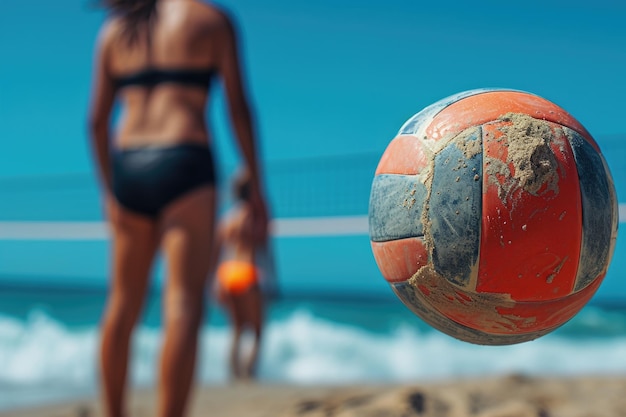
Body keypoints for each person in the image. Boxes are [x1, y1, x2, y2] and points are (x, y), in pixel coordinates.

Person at [87, 1, 268, 417]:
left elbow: (96, 120)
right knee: (183, 303)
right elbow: (238, 108)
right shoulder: (212, 20)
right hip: (185, 160)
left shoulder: (116, 30)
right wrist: (256, 185)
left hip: (128, 163)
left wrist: (107, 190)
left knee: (121, 303)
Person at [213, 170, 277, 381]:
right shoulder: (255, 215)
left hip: (226, 274)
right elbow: (266, 251)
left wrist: (213, 283)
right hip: (247, 272)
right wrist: (273, 281)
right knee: (258, 330)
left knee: (237, 328)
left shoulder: (227, 218)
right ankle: (249, 374)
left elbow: (215, 252)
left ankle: (233, 373)